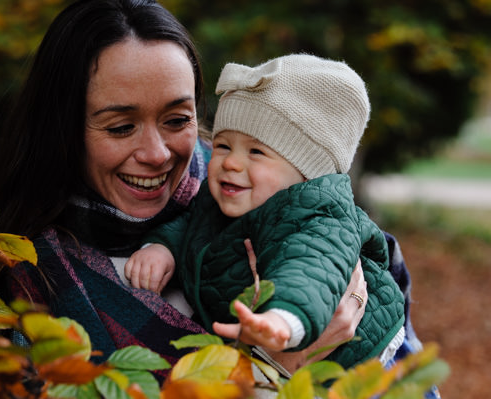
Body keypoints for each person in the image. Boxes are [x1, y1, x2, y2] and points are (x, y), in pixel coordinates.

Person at [0, 0, 427, 390]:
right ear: (62, 129)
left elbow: (411, 370)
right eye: (121, 127)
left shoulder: (266, 189)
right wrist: (285, 372)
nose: (157, 154)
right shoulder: (28, 276)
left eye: (177, 119)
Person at [125, 54, 405, 368]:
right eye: (223, 146)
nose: (231, 162)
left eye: (256, 151)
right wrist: (162, 248)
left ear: (306, 173)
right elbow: (191, 222)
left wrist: (282, 320)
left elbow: (310, 269)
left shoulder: (317, 218)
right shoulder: (224, 196)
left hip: (355, 360)